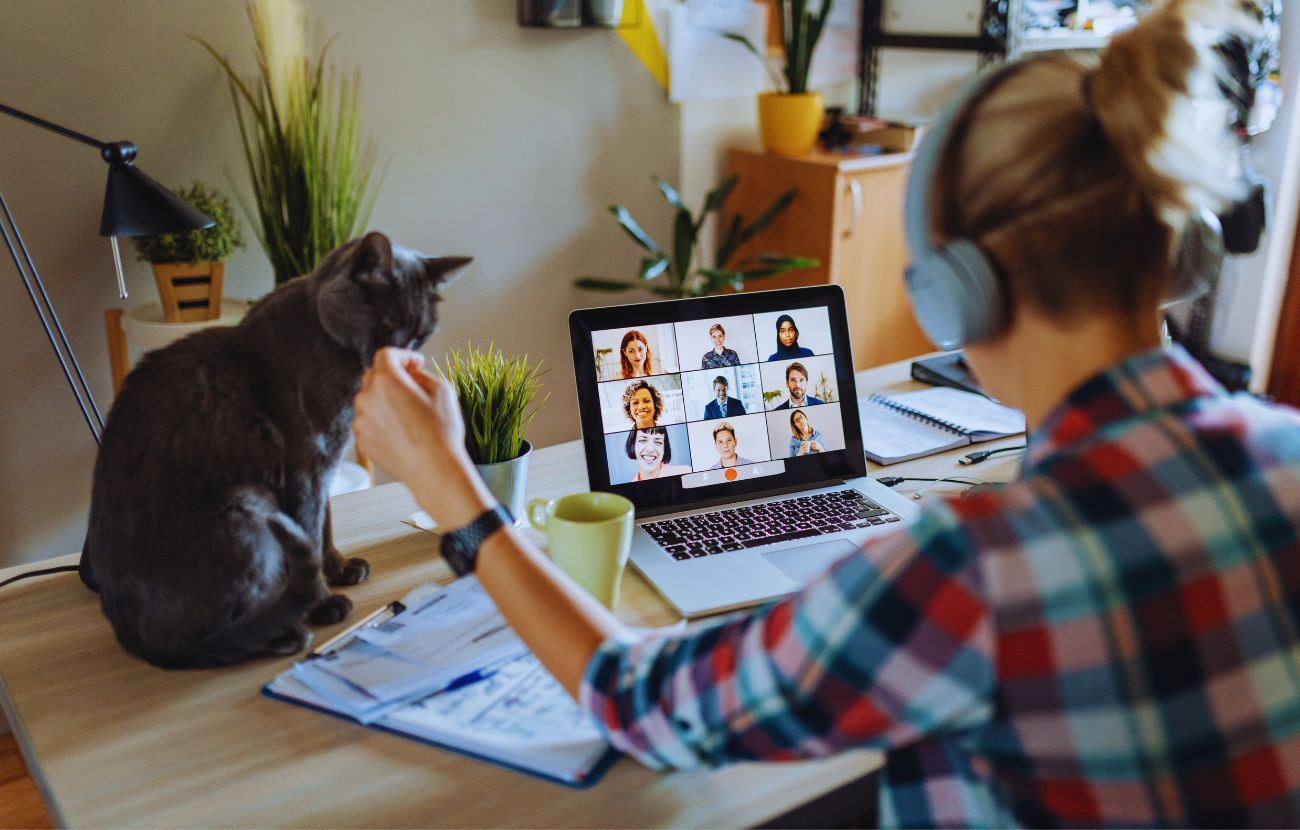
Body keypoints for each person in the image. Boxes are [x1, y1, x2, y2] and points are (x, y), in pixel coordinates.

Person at [353, 5, 1300, 825]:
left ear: (957, 288)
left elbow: (641, 703)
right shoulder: (1288, 454)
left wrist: (459, 497)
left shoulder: (976, 568)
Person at [625, 427, 691, 481]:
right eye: (643, 440)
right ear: (632, 445)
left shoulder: (686, 472)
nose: (650, 449)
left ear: (664, 448)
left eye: (658, 442)